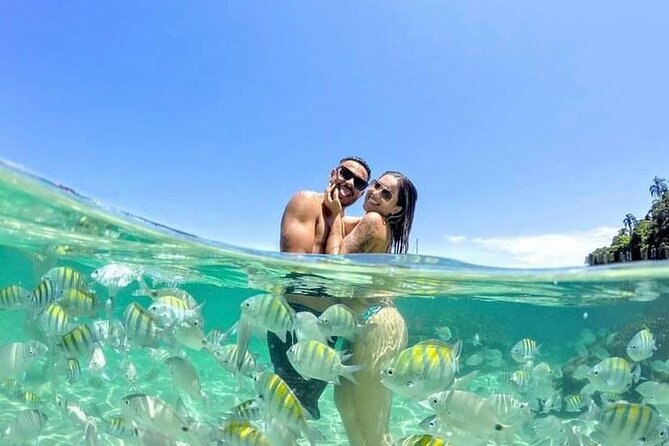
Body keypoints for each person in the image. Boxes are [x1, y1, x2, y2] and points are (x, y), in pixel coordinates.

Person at [268, 156, 372, 420]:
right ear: (333, 173)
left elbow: (377, 228)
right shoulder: (305, 202)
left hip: (329, 330)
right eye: (346, 174)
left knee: (306, 411)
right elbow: (299, 267)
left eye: (359, 182)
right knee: (286, 409)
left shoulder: (342, 221)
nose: (350, 183)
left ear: (361, 193)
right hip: (295, 321)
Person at [324, 170, 418, 446]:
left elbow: (335, 265)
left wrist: (337, 216)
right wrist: (335, 211)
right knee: (346, 407)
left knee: (373, 427)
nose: (375, 192)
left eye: (386, 193)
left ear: (395, 208)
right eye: (376, 185)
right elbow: (337, 221)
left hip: (378, 324)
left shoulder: (374, 221)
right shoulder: (372, 222)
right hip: (363, 326)